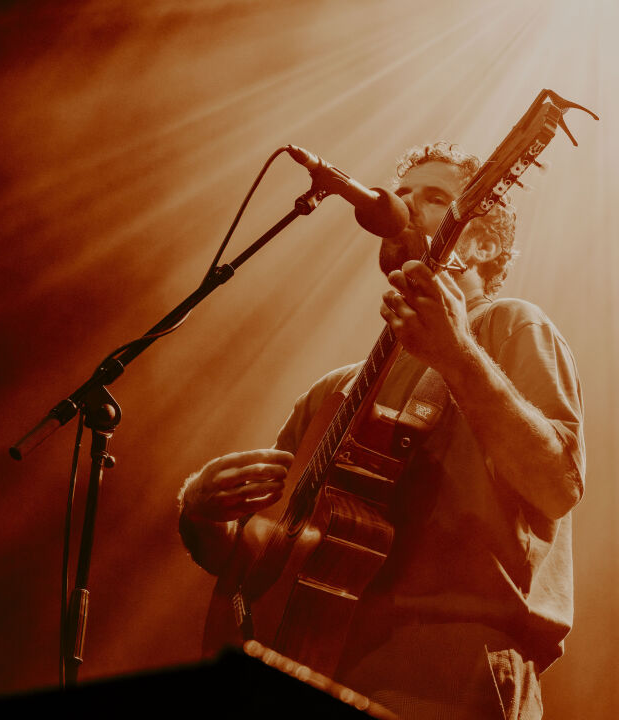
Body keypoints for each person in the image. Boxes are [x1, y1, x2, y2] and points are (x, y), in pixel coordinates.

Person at [178, 142, 585, 719]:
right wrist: (201, 515)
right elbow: (260, 560)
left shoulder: (510, 325)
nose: (404, 205)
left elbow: (557, 485)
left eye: (435, 198)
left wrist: (456, 354)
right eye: (403, 193)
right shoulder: (332, 393)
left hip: (447, 673)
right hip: (313, 657)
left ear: (482, 243)